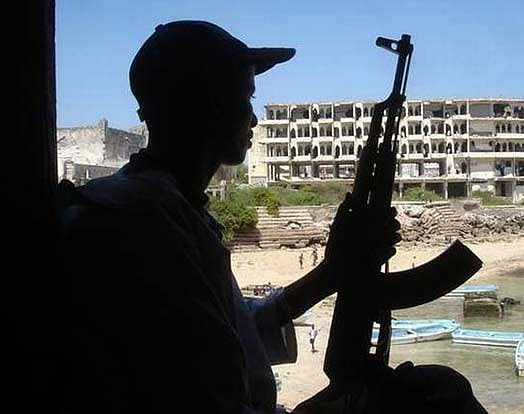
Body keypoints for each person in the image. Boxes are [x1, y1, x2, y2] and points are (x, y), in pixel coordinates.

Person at [57, 20, 402, 414]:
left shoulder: (160, 208)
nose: (253, 120)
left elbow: (230, 331)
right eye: (246, 97)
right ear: (204, 105)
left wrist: (330, 275)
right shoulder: (145, 224)